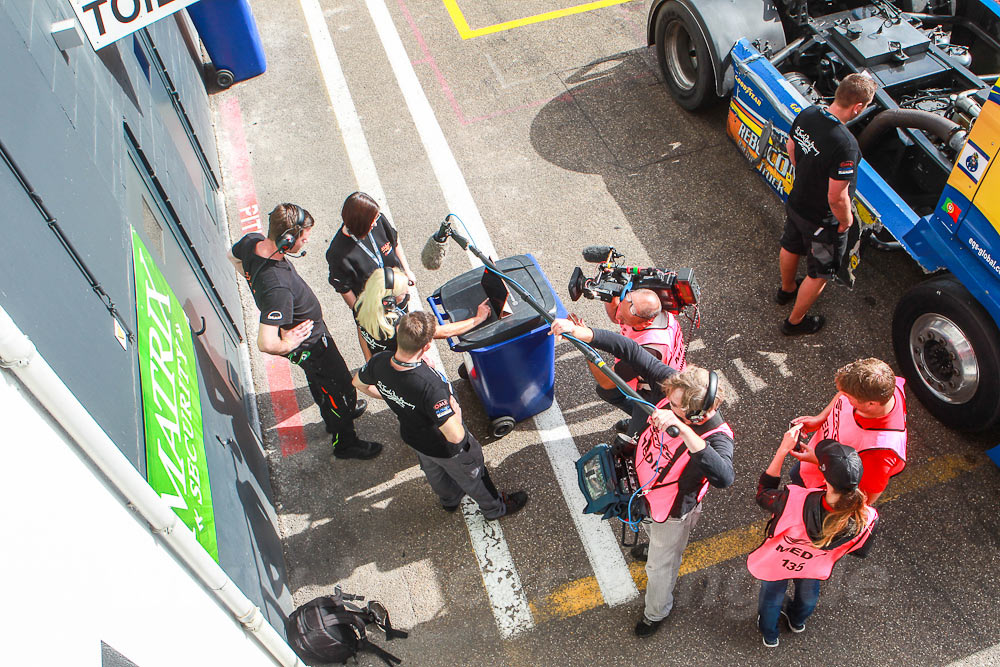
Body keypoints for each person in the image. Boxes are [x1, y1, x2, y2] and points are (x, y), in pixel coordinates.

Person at [229, 203, 382, 460]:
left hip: (312, 339)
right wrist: (287, 342)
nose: (306, 241)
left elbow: (232, 256)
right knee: (340, 387)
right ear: (287, 240)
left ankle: (333, 415)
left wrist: (252, 280)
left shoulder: (252, 242)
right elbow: (266, 343)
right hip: (310, 345)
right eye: (304, 238)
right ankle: (345, 441)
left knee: (319, 382)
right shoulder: (277, 288)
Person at [352, 311, 528, 519]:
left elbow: (358, 383)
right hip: (448, 449)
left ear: (398, 332)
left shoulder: (379, 361)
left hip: (415, 438)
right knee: (475, 475)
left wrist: (392, 395)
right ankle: (494, 508)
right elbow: (455, 436)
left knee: (434, 473)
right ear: (426, 346)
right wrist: (455, 413)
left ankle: (449, 501)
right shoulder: (431, 387)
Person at [749, 435, 878, 647]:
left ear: (825, 478)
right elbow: (860, 551)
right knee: (808, 594)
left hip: (780, 557)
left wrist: (782, 450)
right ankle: (797, 621)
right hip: (813, 565)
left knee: (772, 596)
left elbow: (763, 494)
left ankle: (770, 635)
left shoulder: (795, 499)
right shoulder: (866, 517)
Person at [776, 73, 876, 335]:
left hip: (797, 201)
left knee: (791, 244)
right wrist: (845, 221)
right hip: (821, 220)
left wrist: (807, 173)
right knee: (820, 273)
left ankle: (786, 290)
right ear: (858, 107)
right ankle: (795, 322)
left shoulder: (808, 114)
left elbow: (791, 146)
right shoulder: (846, 145)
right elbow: (836, 196)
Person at [789, 358, 907, 505]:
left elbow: (862, 501)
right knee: (795, 477)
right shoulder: (885, 387)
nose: (844, 397)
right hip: (813, 465)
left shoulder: (879, 454)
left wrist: (819, 459)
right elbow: (843, 394)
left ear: (872, 404)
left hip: (824, 489)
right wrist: (821, 418)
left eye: (849, 397)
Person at [326, 192, 417, 357]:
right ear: (360, 223)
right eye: (372, 220)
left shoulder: (379, 220)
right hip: (373, 307)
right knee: (380, 342)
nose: (376, 223)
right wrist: (361, 313)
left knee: (405, 330)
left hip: (398, 294)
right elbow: (344, 288)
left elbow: (394, 243)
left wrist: (407, 270)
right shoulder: (337, 253)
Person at [585, 289, 687, 436]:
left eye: (624, 318)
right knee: (608, 393)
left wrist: (587, 346)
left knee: (634, 440)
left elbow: (606, 381)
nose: (618, 317)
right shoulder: (655, 311)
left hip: (657, 394)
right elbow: (617, 314)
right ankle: (639, 419)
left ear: (646, 322)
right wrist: (609, 290)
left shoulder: (650, 350)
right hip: (666, 375)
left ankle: (644, 427)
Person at [353, 267, 492, 357]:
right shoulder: (399, 323)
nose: (407, 292)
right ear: (389, 300)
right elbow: (442, 332)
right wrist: (478, 319)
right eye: (403, 292)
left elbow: (360, 330)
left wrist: (368, 358)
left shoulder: (361, 304)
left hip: (382, 361)